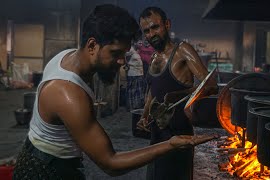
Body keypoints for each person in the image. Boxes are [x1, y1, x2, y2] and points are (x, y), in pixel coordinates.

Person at [12, 4, 218, 180]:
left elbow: (206, 84)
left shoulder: (67, 57)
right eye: (115, 53)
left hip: (48, 159)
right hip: (46, 170)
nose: (121, 62)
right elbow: (110, 163)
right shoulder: (68, 94)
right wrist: (171, 145)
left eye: (124, 53)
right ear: (92, 45)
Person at [137, 7, 218, 180]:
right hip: (156, 133)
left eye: (155, 27)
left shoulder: (182, 50)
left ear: (167, 25)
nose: (151, 34)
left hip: (179, 133)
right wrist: (144, 116)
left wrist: (185, 98)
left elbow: (210, 85)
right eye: (146, 31)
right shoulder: (153, 58)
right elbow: (153, 92)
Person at [125, 45, 146, 110]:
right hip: (133, 74)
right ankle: (132, 106)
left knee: (138, 91)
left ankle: (137, 105)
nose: (140, 43)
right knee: (133, 91)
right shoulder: (130, 50)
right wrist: (127, 64)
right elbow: (125, 56)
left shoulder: (136, 51)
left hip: (139, 74)